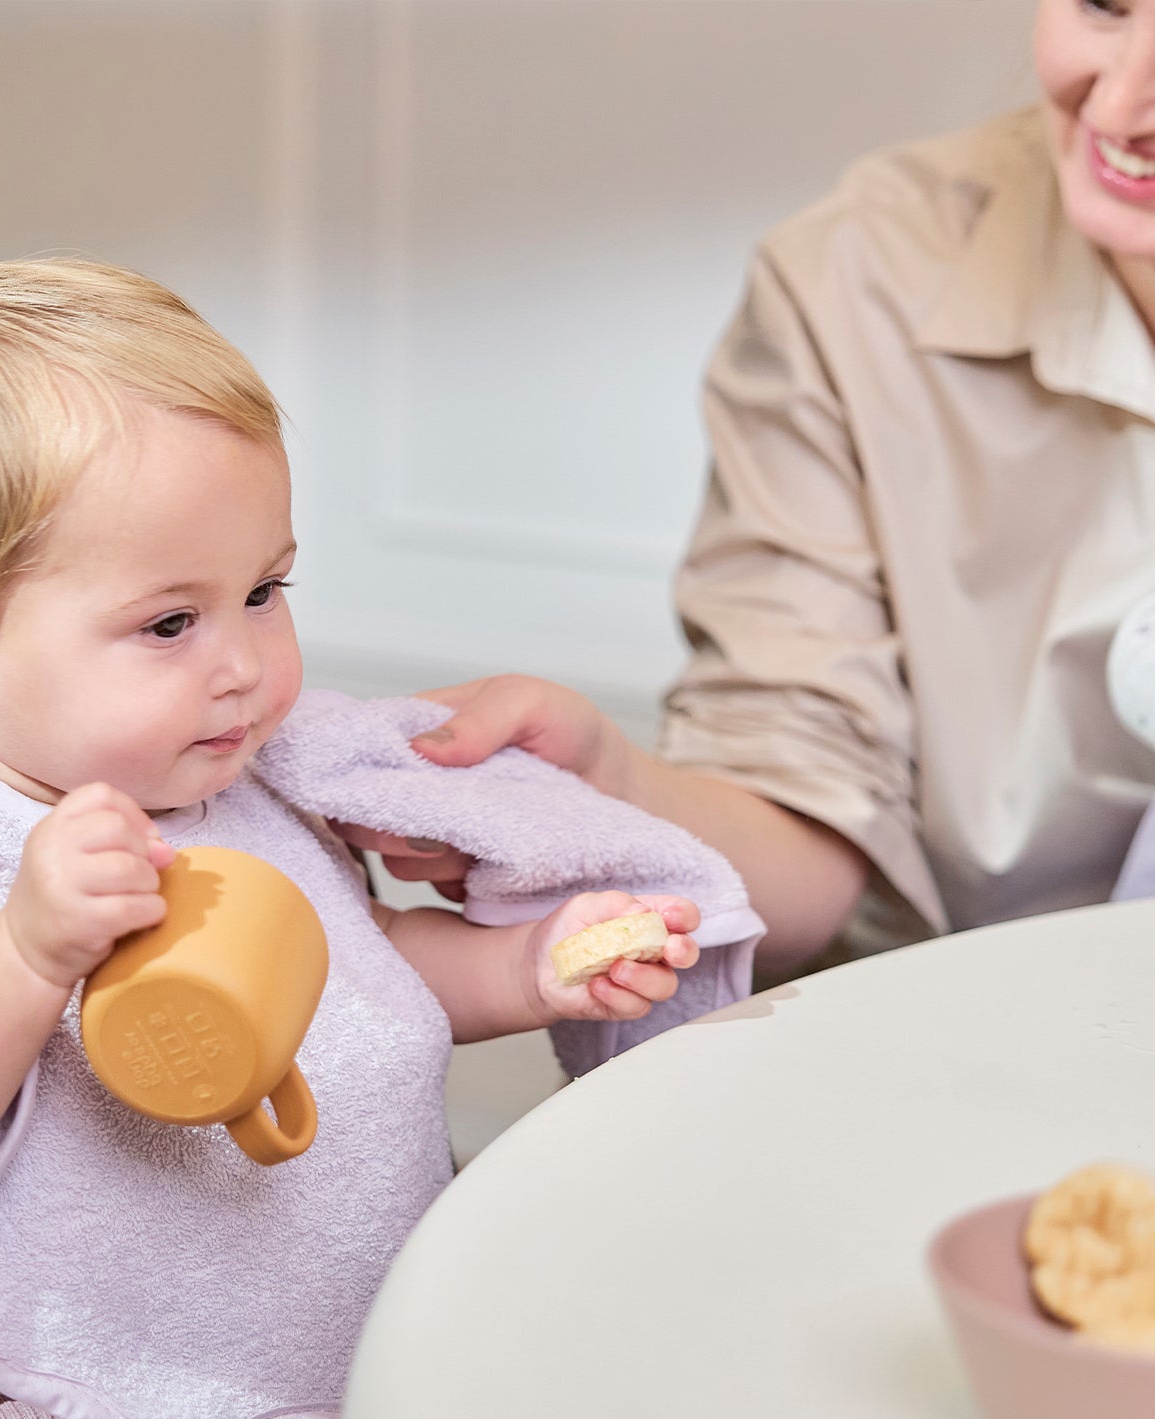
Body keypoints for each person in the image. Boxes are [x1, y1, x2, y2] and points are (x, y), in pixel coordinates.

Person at [0, 258, 699, 1419]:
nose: (246, 663)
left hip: (360, 1343)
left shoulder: (250, 791)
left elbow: (364, 974)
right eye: (170, 624)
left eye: (264, 591)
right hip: (79, 1387)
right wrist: (29, 955)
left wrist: (530, 969)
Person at [342, 0, 1155, 984]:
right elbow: (811, 834)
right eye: (1107, 4)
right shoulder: (858, 282)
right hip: (962, 1029)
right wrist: (609, 783)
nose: (1119, 101)